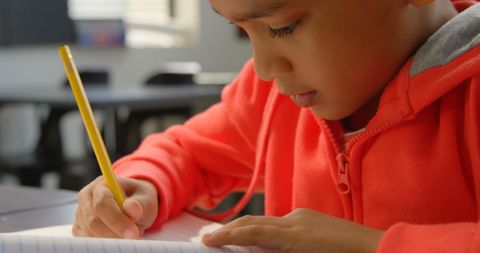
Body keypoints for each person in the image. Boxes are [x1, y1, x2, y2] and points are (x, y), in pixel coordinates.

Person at [73, 0, 480, 252]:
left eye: (282, 27)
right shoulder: (271, 97)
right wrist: (143, 184)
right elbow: (188, 152)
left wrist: (372, 248)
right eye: (240, 29)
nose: (265, 68)